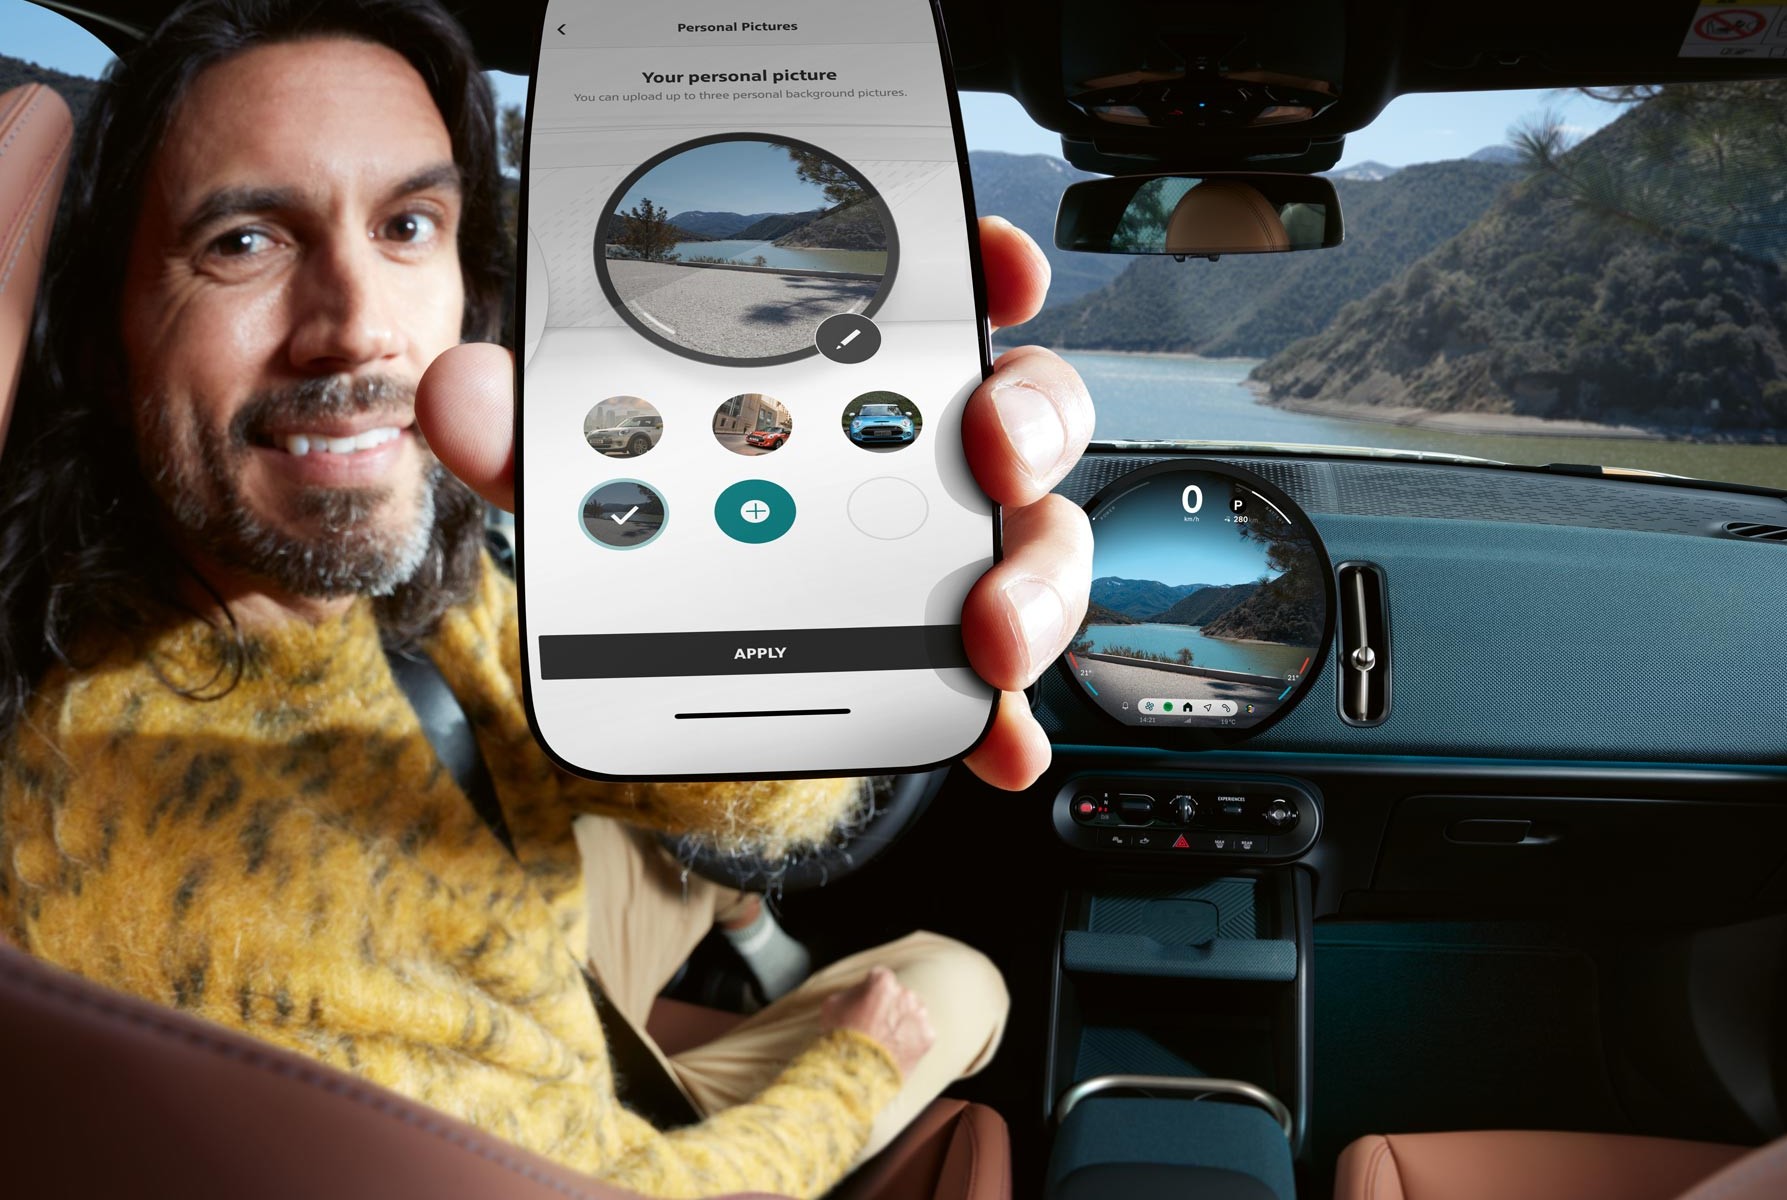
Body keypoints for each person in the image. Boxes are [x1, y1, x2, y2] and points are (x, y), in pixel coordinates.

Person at [0, 2, 1094, 1197]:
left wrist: (796, 604)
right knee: (959, 983)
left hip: (518, 932)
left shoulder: (407, 588)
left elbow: (706, 775)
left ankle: (739, 925)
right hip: (582, 1125)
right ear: (101, 338)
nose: (358, 327)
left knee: (665, 842)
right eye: (245, 241)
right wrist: (852, 1063)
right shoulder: (184, 866)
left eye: (407, 225)